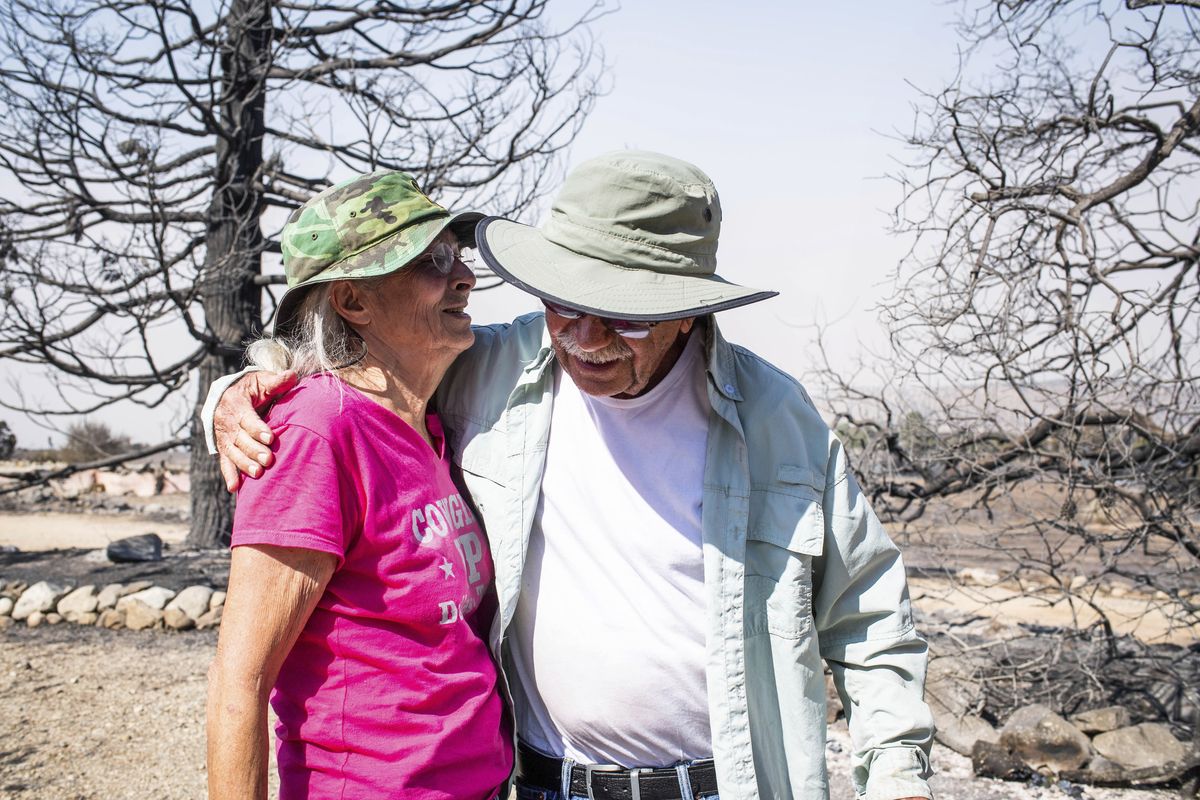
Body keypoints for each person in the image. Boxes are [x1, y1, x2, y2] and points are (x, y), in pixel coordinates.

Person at [207, 151, 935, 800]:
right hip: (550, 784)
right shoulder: (494, 372)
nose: (584, 341)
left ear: (686, 310)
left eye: (623, 316)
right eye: (564, 303)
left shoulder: (775, 418)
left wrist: (900, 779)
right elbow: (341, 380)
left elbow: (866, 609)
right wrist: (240, 393)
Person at [205, 171, 512, 800]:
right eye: (431, 261)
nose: (463, 277)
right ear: (352, 302)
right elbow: (239, 684)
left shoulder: (428, 421)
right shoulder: (316, 433)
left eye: (457, 255)